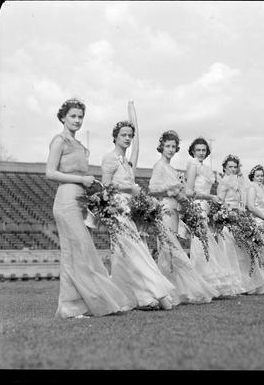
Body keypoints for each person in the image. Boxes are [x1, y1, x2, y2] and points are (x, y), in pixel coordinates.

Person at [46, 98, 134, 318]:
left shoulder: (80, 146)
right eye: (73, 116)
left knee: (79, 253)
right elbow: (50, 172)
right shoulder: (59, 141)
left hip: (80, 201)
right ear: (63, 118)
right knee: (78, 251)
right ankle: (72, 307)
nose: (77, 120)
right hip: (66, 200)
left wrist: (90, 187)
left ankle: (74, 306)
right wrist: (81, 179)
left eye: (80, 117)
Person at [101, 103, 176, 311]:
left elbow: (138, 146)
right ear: (115, 136)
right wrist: (129, 188)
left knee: (133, 252)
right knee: (131, 252)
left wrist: (134, 119)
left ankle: (142, 296)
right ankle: (151, 294)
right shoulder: (109, 158)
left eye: (129, 135)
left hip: (131, 210)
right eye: (123, 134)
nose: (127, 138)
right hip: (117, 210)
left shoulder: (128, 161)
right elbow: (105, 186)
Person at [148, 130, 218, 304]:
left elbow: (183, 191)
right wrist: (169, 191)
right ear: (161, 147)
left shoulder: (172, 168)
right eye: (168, 146)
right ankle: (164, 291)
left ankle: (171, 291)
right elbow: (152, 190)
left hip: (175, 212)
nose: (171, 149)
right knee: (169, 249)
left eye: (173, 146)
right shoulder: (159, 166)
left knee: (169, 251)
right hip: (165, 209)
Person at [185, 137, 242, 296]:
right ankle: (198, 285)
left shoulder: (206, 167)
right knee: (199, 242)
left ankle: (209, 285)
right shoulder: (192, 165)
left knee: (206, 243)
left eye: (204, 150)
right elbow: (188, 192)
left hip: (206, 207)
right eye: (198, 150)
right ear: (193, 151)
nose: (201, 153)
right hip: (197, 206)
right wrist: (210, 198)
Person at [217, 155, 264, 294]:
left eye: (235, 167)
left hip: (240, 218)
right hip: (228, 219)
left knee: (243, 253)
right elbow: (219, 202)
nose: (233, 169)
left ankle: (247, 284)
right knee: (230, 252)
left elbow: (244, 203)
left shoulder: (240, 184)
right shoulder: (223, 183)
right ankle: (233, 286)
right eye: (230, 167)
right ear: (224, 168)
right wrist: (226, 215)